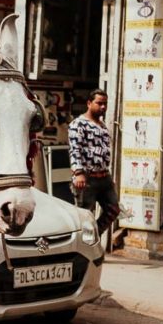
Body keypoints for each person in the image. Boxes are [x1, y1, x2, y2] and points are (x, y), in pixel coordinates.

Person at [68, 89, 119, 232]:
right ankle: (85, 248)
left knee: (113, 209)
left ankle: (94, 235)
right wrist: (78, 172)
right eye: (99, 103)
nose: (103, 107)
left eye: (105, 104)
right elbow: (75, 148)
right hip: (87, 178)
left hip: (104, 177)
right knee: (85, 217)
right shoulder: (78, 124)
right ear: (89, 103)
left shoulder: (102, 126)